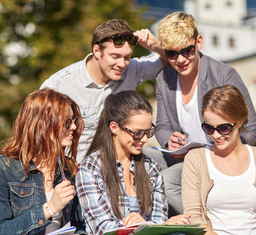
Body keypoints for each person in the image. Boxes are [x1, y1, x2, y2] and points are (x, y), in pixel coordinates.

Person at [145, 11, 256, 215]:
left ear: (199, 42)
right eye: (171, 54)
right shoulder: (165, 78)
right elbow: (162, 127)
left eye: (187, 51)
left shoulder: (224, 75)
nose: (180, 59)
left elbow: (253, 132)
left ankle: (204, 227)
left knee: (168, 180)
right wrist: (168, 141)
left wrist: (218, 148)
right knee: (140, 156)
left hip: (216, 159)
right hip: (183, 157)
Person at [40, 19, 168, 162]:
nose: (122, 64)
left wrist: (155, 46)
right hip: (72, 171)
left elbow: (169, 60)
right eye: (115, 56)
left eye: (127, 57)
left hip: (114, 168)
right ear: (96, 51)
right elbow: (39, 135)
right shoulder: (58, 85)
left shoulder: (131, 69)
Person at [75, 90, 191, 235]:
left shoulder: (151, 167)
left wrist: (147, 225)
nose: (143, 139)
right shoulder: (91, 168)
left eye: (148, 132)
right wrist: (141, 227)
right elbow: (101, 230)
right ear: (114, 127)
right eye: (137, 133)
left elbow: (159, 218)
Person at [0, 89, 89, 235]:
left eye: (74, 121)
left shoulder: (67, 167)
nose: (73, 127)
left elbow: (78, 223)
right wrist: (49, 208)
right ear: (42, 125)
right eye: (67, 122)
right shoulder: (2, 167)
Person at [182, 85, 256, 235]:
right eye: (209, 128)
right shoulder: (195, 159)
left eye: (223, 128)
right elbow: (194, 218)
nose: (216, 135)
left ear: (240, 121)